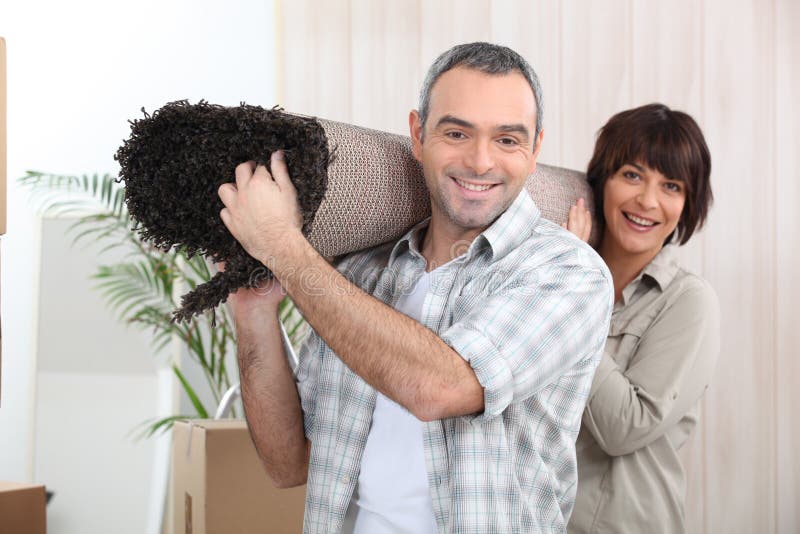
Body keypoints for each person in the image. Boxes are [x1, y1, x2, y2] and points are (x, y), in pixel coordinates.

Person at [218, 42, 613, 534]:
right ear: (418, 135)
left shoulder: (569, 272)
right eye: (456, 132)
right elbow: (288, 464)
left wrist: (283, 246)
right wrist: (253, 312)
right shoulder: (361, 274)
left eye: (508, 140)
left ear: (535, 151)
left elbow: (441, 388)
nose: (480, 161)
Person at [564, 104, 720, 534]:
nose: (648, 201)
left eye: (671, 186)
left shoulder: (689, 302)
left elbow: (624, 428)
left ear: (688, 204)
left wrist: (575, 295)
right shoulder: (560, 272)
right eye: (632, 175)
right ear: (602, 181)